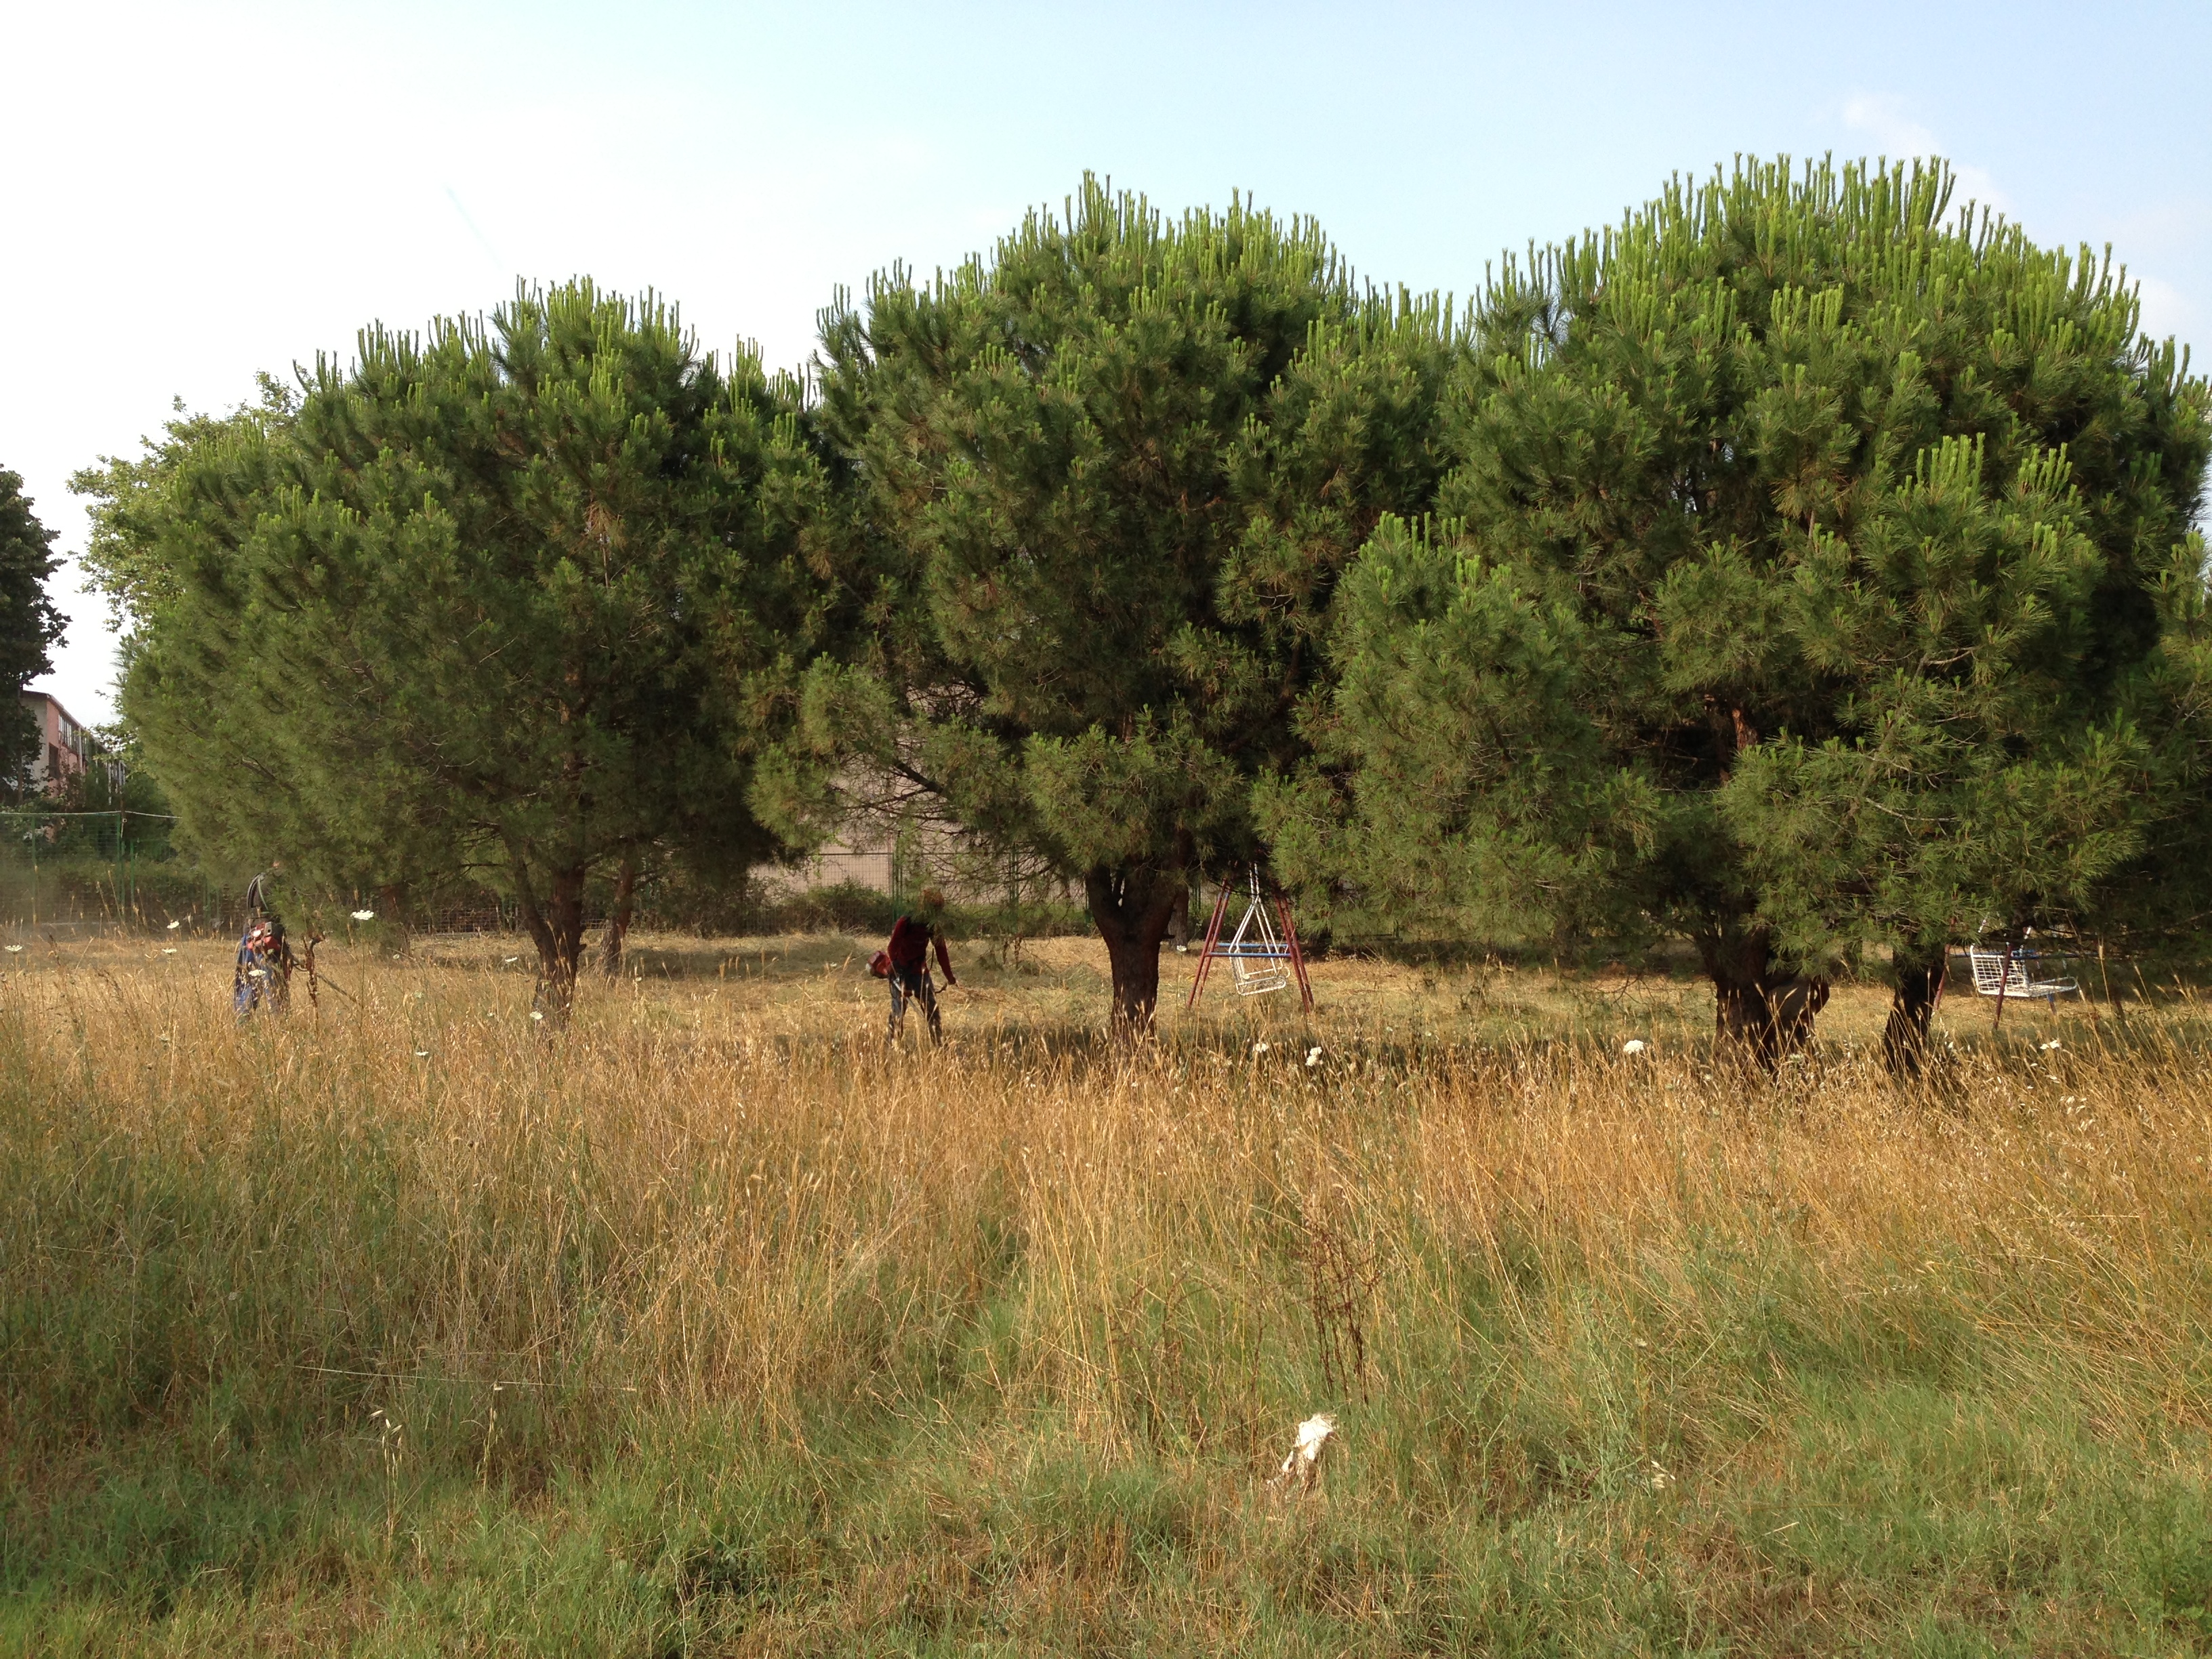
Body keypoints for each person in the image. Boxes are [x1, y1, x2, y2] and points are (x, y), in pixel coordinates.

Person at [884, 887, 956, 1046]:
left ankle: (939, 1045)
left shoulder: (933, 926)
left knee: (932, 1010)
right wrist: (894, 969)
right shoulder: (906, 922)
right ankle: (892, 1046)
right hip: (900, 971)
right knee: (898, 1013)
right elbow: (892, 947)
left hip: (920, 973)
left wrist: (949, 976)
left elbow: (941, 950)